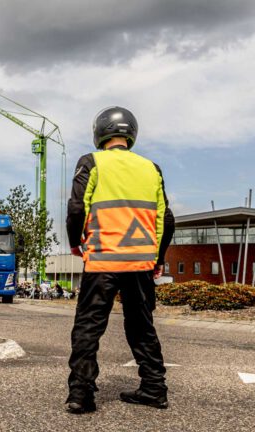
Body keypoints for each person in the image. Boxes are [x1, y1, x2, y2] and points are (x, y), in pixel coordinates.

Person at [64, 106, 175, 414]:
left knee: (89, 326)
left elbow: (76, 209)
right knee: (141, 326)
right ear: (131, 134)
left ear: (100, 133)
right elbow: (165, 216)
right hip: (140, 262)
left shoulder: (91, 162)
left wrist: (76, 243)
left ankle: (81, 395)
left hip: (102, 260)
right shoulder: (151, 168)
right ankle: (154, 389)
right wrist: (159, 257)